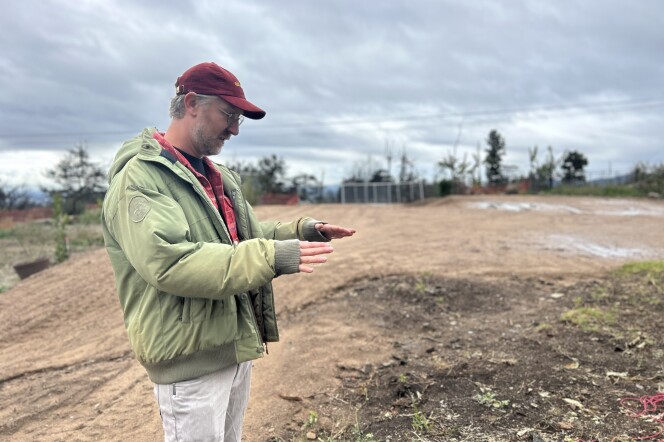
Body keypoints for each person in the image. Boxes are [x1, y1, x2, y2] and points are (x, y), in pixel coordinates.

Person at [101, 62, 356, 442]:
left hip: (229, 346)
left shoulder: (213, 174)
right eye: (229, 114)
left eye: (239, 118)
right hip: (189, 361)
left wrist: (302, 232)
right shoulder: (140, 179)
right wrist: (272, 256)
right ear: (191, 103)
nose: (235, 129)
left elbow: (242, 238)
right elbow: (172, 262)